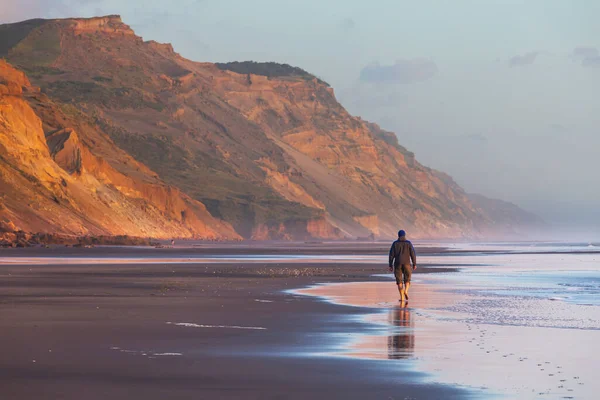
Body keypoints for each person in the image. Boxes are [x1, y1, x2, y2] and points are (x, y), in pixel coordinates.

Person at [388, 230, 417, 303]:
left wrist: (390, 265)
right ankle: (406, 291)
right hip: (407, 263)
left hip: (397, 264)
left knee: (399, 281)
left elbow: (391, 255)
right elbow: (413, 254)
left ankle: (402, 297)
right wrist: (414, 264)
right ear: (404, 235)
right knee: (407, 279)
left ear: (398, 235)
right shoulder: (408, 243)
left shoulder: (395, 244)